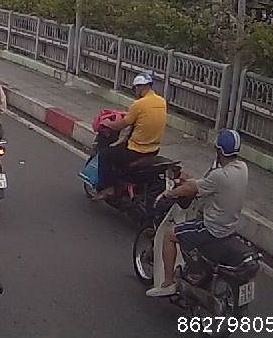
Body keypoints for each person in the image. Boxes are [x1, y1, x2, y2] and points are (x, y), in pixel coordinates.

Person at [147, 130, 249, 297]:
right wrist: (191, 181)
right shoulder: (242, 168)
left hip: (213, 229)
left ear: (219, 150)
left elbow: (192, 188)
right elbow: (208, 184)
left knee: (170, 235)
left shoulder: (220, 176)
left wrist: (170, 193)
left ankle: (168, 283)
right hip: (229, 227)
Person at [93, 72, 167, 199]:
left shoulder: (138, 104)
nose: (135, 91)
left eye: (135, 88)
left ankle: (108, 187)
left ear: (140, 87)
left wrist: (108, 123)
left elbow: (121, 125)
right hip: (154, 149)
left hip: (136, 150)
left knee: (105, 155)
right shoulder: (161, 102)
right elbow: (143, 118)